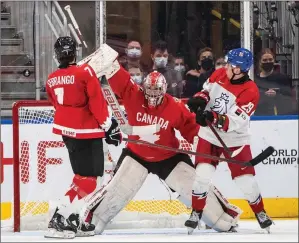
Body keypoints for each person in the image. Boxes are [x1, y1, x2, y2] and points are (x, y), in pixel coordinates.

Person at [79, 44, 243, 235]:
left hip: (169, 157)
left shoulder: (175, 107)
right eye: (149, 92)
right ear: (144, 89)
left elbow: (191, 129)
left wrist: (201, 144)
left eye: (157, 94)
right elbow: (117, 76)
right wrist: (108, 65)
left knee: (208, 206)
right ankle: (89, 220)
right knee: (115, 195)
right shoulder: (134, 94)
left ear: (165, 91)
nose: (152, 98)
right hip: (136, 154)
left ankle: (222, 217)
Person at [186, 48, 273, 234]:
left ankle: (260, 212)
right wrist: (200, 101)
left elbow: (235, 121)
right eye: (228, 63)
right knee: (202, 175)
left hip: (235, 139)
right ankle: (196, 212)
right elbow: (207, 90)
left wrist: (213, 117)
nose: (227, 67)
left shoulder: (251, 91)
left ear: (242, 69)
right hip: (209, 135)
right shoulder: (219, 73)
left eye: (232, 65)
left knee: (246, 181)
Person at [45, 36, 122, 239]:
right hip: (87, 132)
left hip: (66, 133)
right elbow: (97, 102)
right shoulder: (85, 71)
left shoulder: (51, 79)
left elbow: (57, 105)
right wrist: (110, 126)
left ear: (57, 55)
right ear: (74, 53)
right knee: (91, 180)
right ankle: (60, 214)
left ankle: (72, 218)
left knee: (81, 177)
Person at [254, 48, 295, 115]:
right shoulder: (255, 80)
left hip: (280, 116)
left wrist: (277, 95)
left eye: (270, 59)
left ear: (274, 60)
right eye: (265, 60)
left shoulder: (282, 78)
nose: (268, 62)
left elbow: (290, 98)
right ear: (259, 62)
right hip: (260, 116)